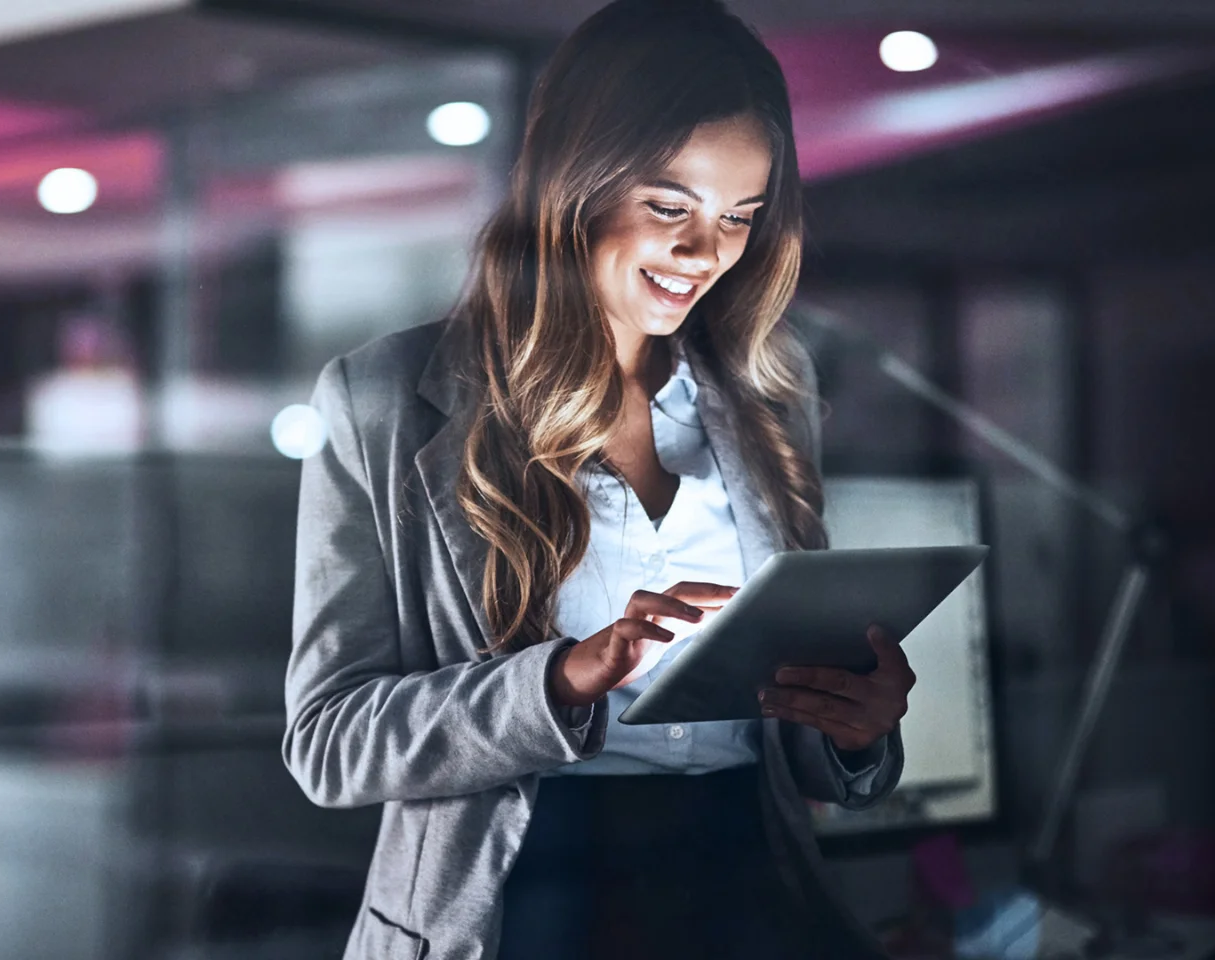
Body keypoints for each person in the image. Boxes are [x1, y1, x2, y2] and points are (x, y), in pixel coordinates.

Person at [282, 1, 916, 957]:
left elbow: (791, 749)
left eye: (738, 217)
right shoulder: (382, 401)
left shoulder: (770, 394)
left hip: (742, 884)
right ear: (573, 184)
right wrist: (558, 684)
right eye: (670, 207)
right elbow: (329, 741)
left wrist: (852, 728)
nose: (706, 255)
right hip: (522, 901)